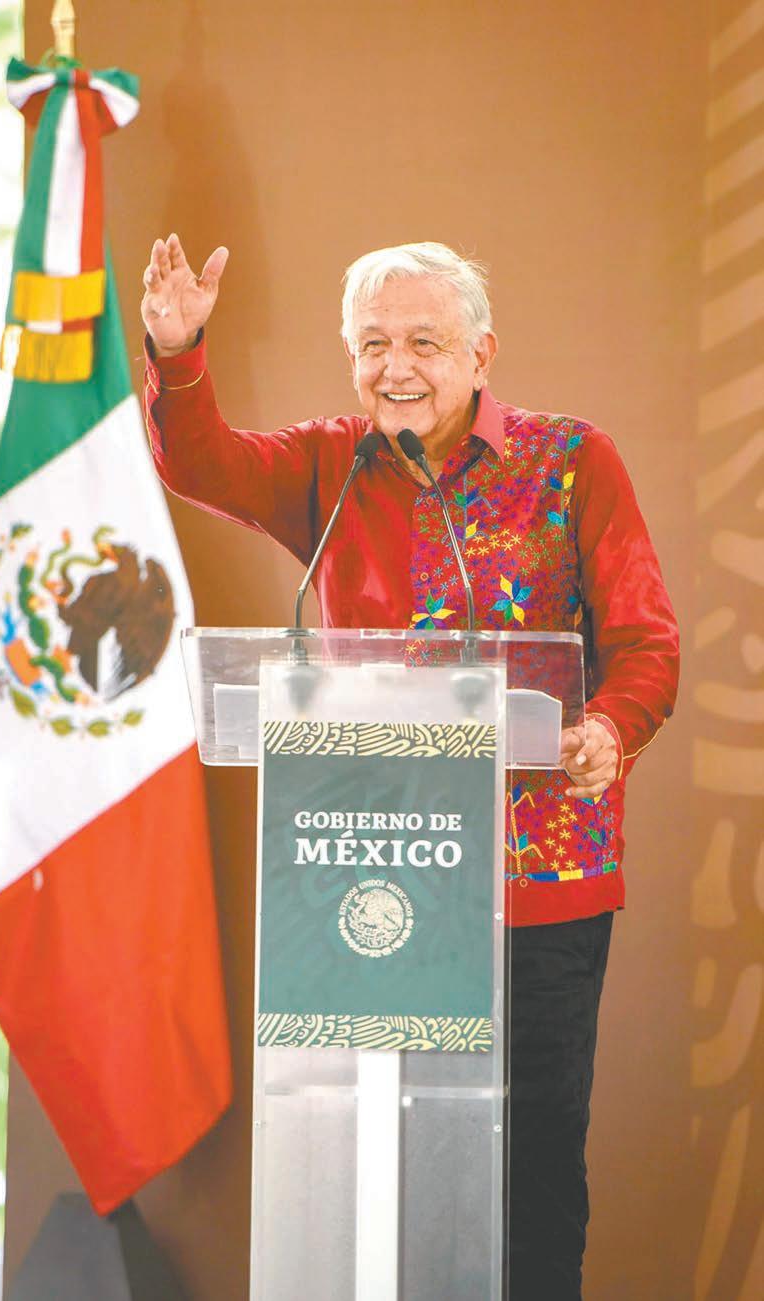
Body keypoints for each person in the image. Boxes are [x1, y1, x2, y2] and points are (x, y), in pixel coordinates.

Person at [139, 235, 679, 1300]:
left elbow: (646, 641)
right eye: (373, 344)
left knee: (531, 1178)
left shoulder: (573, 460)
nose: (397, 367)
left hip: (539, 882)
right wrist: (178, 349)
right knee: (379, 1177)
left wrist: (607, 731)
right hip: (373, 879)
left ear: (481, 354)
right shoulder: (332, 464)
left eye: (424, 343)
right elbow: (203, 463)